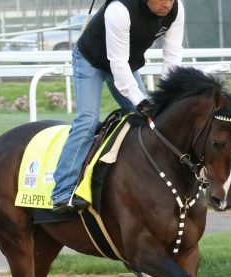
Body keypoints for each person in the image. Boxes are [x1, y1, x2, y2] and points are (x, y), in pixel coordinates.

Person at [51, 0, 185, 213]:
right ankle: (62, 192)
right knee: (88, 120)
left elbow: (172, 57)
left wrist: (168, 97)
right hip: (91, 61)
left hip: (124, 64)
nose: (167, 4)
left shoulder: (176, 10)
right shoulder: (119, 10)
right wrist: (140, 101)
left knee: (151, 121)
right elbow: (118, 65)